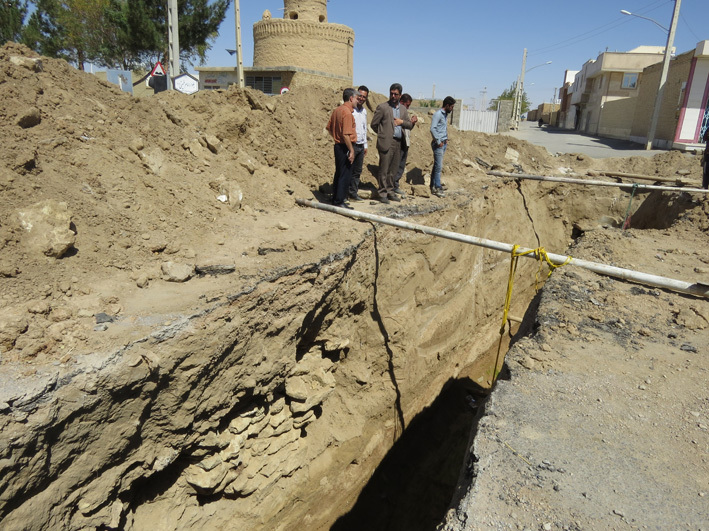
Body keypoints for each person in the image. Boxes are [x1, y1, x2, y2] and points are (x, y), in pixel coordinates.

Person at [371, 83, 416, 204]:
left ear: (400, 95)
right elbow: (374, 124)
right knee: (384, 169)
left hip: (398, 142)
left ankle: (390, 192)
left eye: (395, 94)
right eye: (391, 93)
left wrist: (402, 122)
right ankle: (382, 193)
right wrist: (383, 134)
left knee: (393, 170)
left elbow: (409, 125)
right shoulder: (383, 107)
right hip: (386, 142)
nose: (393, 95)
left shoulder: (402, 109)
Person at [325, 88, 358, 209]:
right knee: (345, 174)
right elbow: (346, 134)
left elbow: (329, 128)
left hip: (338, 146)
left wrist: (336, 138)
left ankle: (335, 198)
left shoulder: (337, 110)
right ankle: (340, 201)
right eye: (356, 98)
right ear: (351, 98)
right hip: (345, 146)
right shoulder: (347, 113)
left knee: (339, 173)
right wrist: (352, 150)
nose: (357, 101)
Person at [430, 96, 455, 197]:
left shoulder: (445, 115)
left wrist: (445, 140)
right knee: (439, 167)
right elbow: (432, 128)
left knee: (437, 166)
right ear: (447, 105)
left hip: (443, 143)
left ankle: (433, 185)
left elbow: (441, 129)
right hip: (438, 144)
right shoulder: (438, 114)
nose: (452, 109)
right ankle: (438, 188)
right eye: (452, 107)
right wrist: (439, 141)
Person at [349, 85, 369, 201]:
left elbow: (364, 128)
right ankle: (345, 193)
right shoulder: (351, 110)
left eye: (364, 97)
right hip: (352, 144)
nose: (361, 99)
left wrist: (365, 145)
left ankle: (353, 193)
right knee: (348, 170)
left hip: (361, 145)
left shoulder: (364, 111)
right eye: (360, 96)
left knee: (357, 171)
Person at [394, 93, 417, 195]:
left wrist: (412, 123)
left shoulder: (405, 113)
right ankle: (392, 186)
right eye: (407, 105)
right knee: (395, 165)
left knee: (401, 165)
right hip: (398, 142)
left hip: (405, 142)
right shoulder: (396, 112)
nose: (408, 107)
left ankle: (395, 184)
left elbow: (408, 126)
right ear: (402, 103)